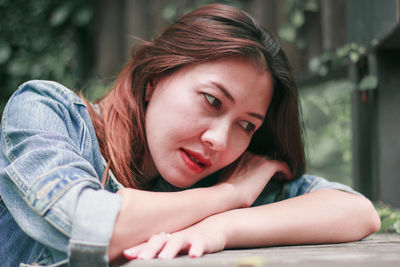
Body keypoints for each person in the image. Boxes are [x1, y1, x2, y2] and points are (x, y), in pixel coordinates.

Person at [0, 4, 380, 267]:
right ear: (154, 79)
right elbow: (88, 225)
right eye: (212, 100)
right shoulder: (46, 112)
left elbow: (356, 212)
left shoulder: (213, 176)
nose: (220, 140)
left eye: (247, 125)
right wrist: (228, 196)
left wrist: (221, 227)